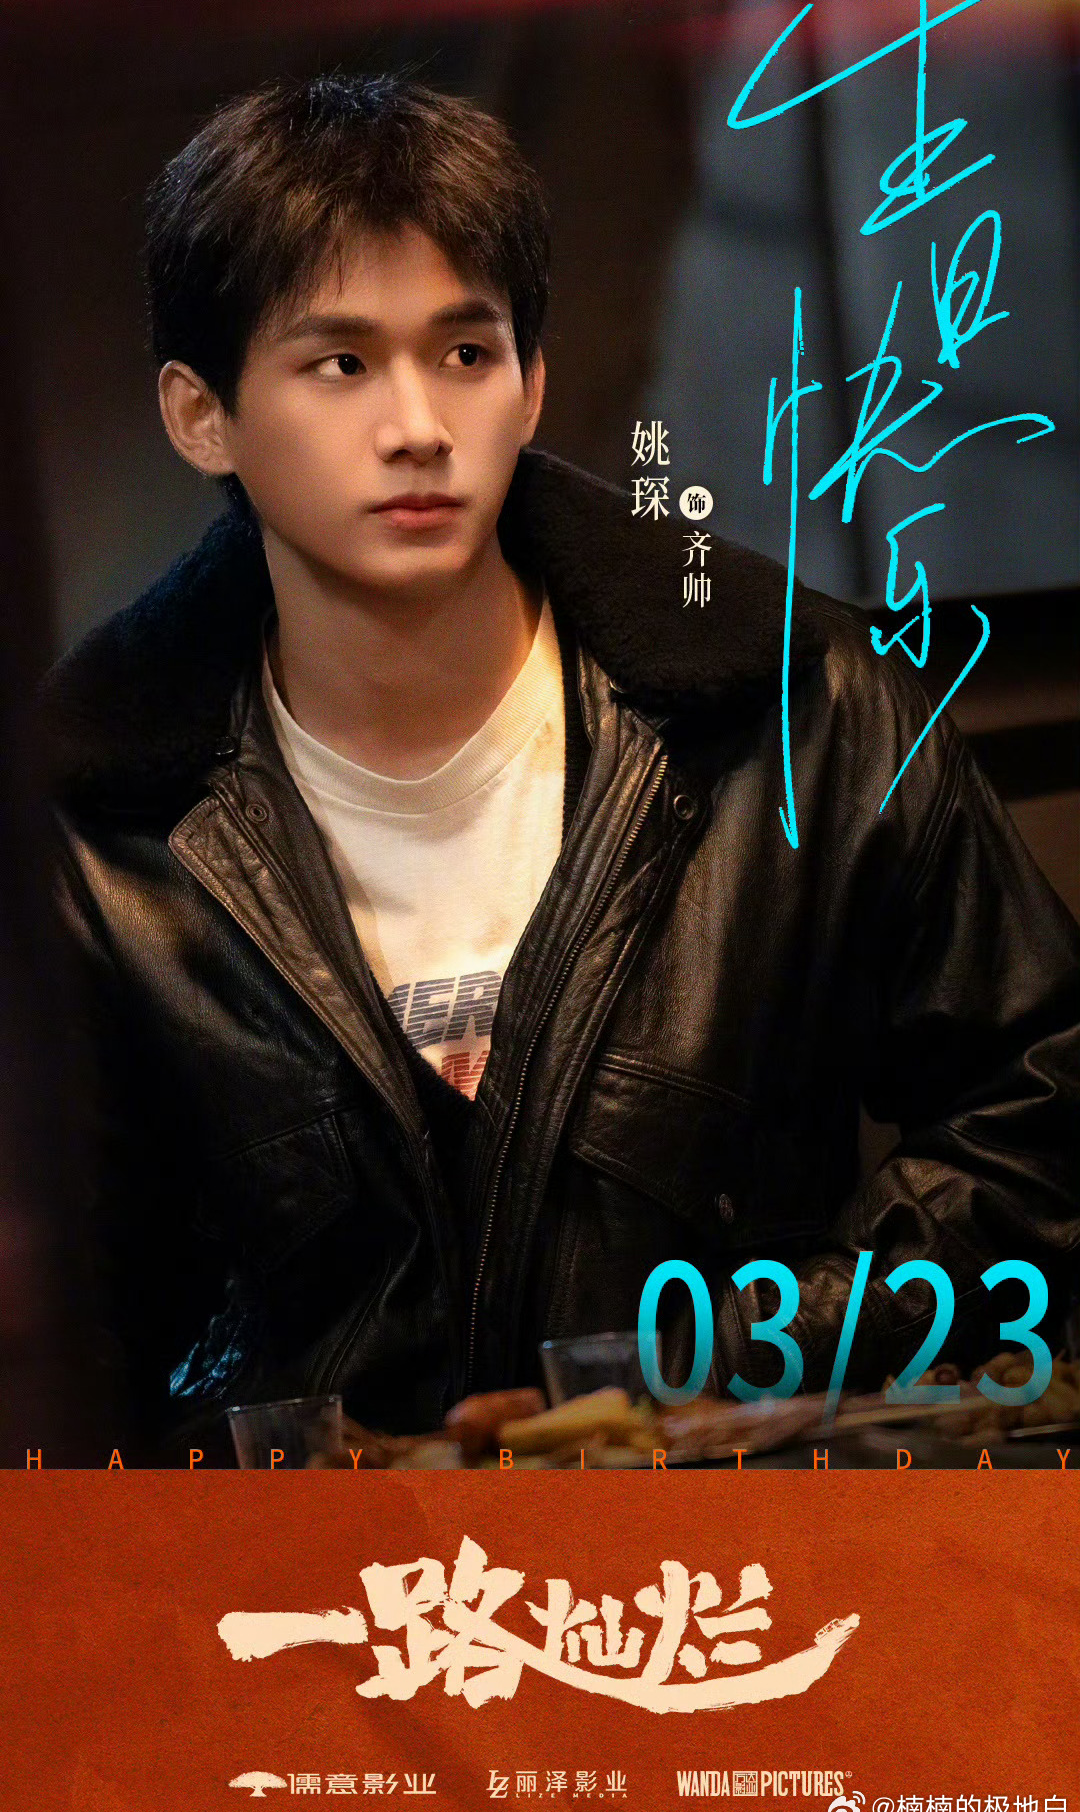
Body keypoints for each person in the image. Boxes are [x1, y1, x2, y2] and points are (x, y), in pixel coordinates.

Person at [43, 73, 1080, 1463]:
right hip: (307, 1580)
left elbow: (1042, 1120)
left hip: (731, 1541)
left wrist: (713, 1366)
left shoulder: (796, 709)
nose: (418, 425)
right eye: (341, 364)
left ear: (531, 384)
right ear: (200, 415)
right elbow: (67, 1326)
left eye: (466, 353)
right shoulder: (94, 828)